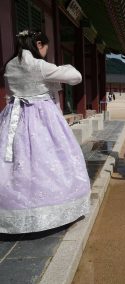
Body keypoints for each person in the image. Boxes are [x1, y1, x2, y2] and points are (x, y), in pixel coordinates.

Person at [0, 30, 90, 234]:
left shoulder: (10, 65)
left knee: (15, 162)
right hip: (41, 117)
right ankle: (49, 211)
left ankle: (12, 211)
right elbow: (75, 76)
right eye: (45, 47)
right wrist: (64, 66)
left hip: (14, 117)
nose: (45, 51)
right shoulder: (39, 66)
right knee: (47, 159)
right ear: (39, 44)